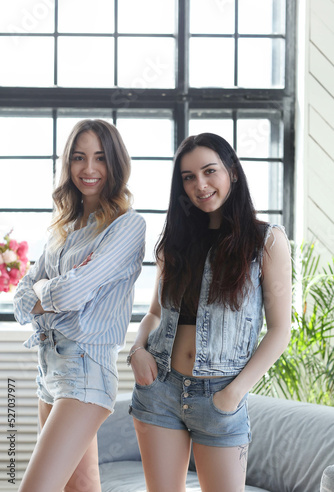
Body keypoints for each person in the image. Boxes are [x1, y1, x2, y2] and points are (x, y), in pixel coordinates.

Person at [128, 132, 292, 492]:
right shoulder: (174, 240)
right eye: (188, 177)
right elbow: (154, 313)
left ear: (232, 171)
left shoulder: (267, 241)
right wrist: (137, 350)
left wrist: (232, 395)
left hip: (220, 398)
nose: (200, 184)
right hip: (160, 389)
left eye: (209, 171)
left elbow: (281, 330)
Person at [13, 119, 146, 492]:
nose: (89, 169)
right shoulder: (64, 227)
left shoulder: (127, 225)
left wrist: (44, 288)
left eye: (100, 158)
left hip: (85, 372)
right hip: (49, 371)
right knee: (81, 489)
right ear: (68, 164)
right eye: (79, 157)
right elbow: (21, 297)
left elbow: (70, 294)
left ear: (115, 164)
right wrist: (46, 289)